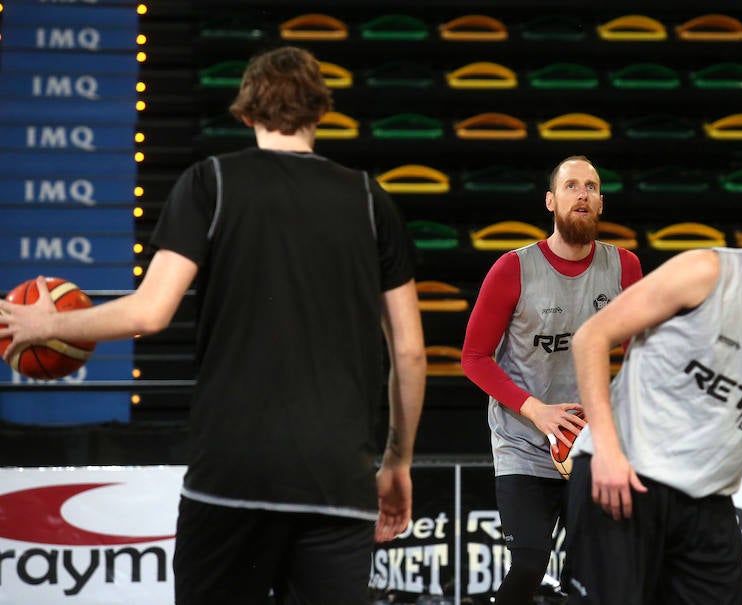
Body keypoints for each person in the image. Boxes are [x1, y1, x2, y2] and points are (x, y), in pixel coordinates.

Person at [0, 45, 426, 605]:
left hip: (232, 476)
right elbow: (411, 353)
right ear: (321, 112)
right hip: (337, 478)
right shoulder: (372, 201)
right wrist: (397, 460)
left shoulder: (211, 184)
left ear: (245, 112)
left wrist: (50, 323)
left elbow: (150, 311)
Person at [566, 162, 742, 605]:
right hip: (624, 480)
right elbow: (590, 338)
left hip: (708, 506)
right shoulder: (705, 271)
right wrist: (607, 451)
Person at [461, 156, 643, 604]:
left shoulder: (625, 269)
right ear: (551, 201)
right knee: (528, 564)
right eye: (571, 186)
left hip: (591, 447)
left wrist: (617, 427)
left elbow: (642, 358)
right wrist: (536, 410)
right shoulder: (513, 269)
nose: (582, 193)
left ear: (601, 202)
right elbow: (474, 357)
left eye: (592, 187)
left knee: (594, 574)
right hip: (524, 440)